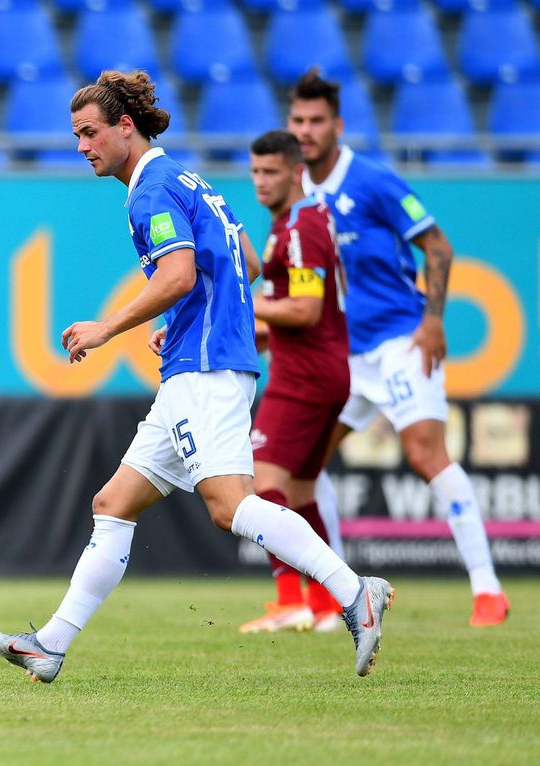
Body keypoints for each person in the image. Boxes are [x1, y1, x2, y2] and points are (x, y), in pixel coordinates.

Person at [0, 70, 393, 682]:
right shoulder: (190, 180)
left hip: (205, 371)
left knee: (230, 507)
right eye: (76, 135)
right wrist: (186, 318)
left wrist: (107, 328)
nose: (82, 146)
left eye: (90, 133)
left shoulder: (151, 191)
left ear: (126, 126)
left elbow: (176, 275)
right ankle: (51, 645)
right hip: (199, 362)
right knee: (113, 503)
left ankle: (353, 589)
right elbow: (245, 261)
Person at [287, 70, 509, 627]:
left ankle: (488, 591)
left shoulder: (372, 180)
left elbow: (437, 244)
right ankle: (344, 595)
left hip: (398, 341)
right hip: (343, 354)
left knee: (426, 454)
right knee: (302, 468)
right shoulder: (296, 191)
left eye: (316, 121)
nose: (307, 130)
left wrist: (433, 321)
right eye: (298, 121)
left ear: (337, 126)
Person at [239, 130, 348, 635]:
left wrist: (237, 302)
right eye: (255, 171)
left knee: (262, 489)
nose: (260, 182)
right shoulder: (293, 223)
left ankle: (290, 600)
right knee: (300, 493)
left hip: (304, 377)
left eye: (270, 172)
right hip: (320, 371)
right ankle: (327, 606)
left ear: (295, 170)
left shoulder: (302, 226)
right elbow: (287, 314)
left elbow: (304, 310)